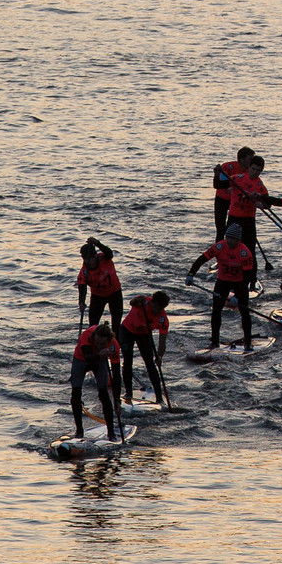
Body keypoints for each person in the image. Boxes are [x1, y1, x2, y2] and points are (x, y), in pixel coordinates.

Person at [188, 220, 257, 349]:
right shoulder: (219, 246)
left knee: (245, 312)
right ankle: (214, 342)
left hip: (239, 283)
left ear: (239, 240)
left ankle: (248, 343)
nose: (229, 241)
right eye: (227, 238)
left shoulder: (245, 253)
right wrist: (191, 274)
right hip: (222, 282)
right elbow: (201, 260)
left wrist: (237, 295)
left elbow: (247, 277)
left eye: (232, 239)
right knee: (216, 311)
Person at [71, 319, 123, 441]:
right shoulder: (86, 336)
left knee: (104, 394)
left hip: (100, 361)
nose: (99, 346)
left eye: (102, 344)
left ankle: (111, 433)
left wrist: (117, 400)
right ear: (94, 337)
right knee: (76, 393)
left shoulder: (114, 346)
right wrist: (101, 354)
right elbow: (89, 358)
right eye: (97, 342)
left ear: (109, 341)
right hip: (81, 359)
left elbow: (116, 373)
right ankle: (79, 431)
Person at [118, 290, 172, 406]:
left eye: (159, 309)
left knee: (150, 363)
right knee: (128, 360)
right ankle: (128, 393)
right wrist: (137, 300)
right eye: (155, 307)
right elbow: (132, 302)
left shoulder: (163, 319)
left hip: (144, 334)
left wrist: (160, 356)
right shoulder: (143, 302)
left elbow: (162, 342)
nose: (156, 311)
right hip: (127, 331)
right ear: (152, 302)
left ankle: (159, 398)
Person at [76, 237, 123, 328]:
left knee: (116, 324)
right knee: (93, 325)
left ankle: (116, 340)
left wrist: (97, 243)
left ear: (96, 255)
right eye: (87, 259)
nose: (91, 262)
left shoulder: (105, 257)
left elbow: (110, 253)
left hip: (115, 292)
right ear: (83, 258)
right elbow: (82, 290)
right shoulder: (83, 273)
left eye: (93, 258)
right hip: (98, 296)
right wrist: (81, 302)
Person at [212, 144, 254, 239]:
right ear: (242, 159)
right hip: (222, 200)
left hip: (235, 201)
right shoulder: (228, 167)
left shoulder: (250, 171)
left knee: (236, 230)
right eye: (250, 159)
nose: (252, 162)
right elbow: (220, 184)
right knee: (221, 229)